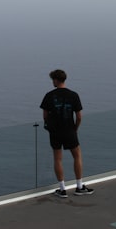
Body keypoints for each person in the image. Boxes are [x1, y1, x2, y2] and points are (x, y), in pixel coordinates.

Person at [40, 69, 93, 198]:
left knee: (58, 159)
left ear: (56, 80)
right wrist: (75, 128)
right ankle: (79, 186)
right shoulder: (73, 95)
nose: (52, 81)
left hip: (55, 132)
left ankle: (62, 189)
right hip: (69, 130)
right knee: (77, 156)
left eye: (53, 79)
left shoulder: (49, 95)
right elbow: (79, 116)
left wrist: (51, 126)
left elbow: (45, 116)